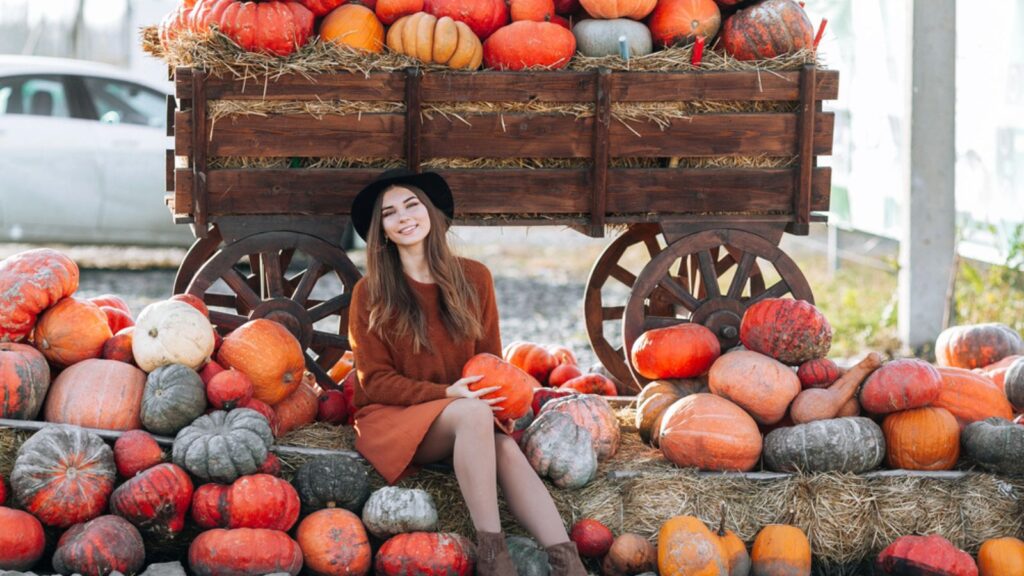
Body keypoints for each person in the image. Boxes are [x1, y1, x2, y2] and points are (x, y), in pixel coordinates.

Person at [347, 168, 587, 576]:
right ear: (381, 231)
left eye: (411, 205)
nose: (404, 217)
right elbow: (374, 382)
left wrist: (493, 409)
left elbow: (491, 363)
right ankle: (494, 557)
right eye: (389, 213)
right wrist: (447, 394)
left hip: (462, 414)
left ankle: (569, 563)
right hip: (394, 418)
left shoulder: (475, 278)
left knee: (505, 448)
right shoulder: (370, 292)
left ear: (430, 212)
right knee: (472, 412)